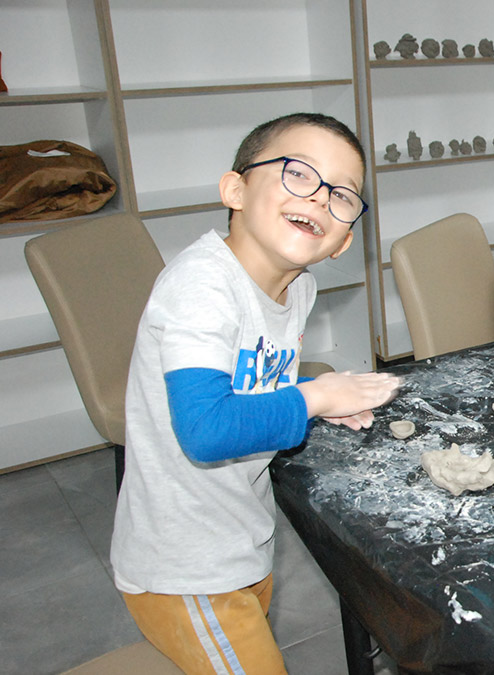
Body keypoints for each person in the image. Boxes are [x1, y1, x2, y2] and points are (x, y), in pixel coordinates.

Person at [110, 112, 402, 673]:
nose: (320, 198)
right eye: (299, 174)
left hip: (237, 539)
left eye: (343, 195)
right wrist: (312, 400)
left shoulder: (297, 288)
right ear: (236, 189)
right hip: (185, 568)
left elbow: (247, 378)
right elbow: (205, 429)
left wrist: (307, 391)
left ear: (343, 241)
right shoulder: (202, 286)